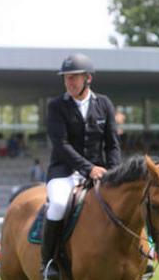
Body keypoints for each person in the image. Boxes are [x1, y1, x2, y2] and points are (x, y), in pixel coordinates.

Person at [41, 53, 122, 278]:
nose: (70, 82)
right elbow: (61, 145)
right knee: (57, 204)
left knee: (129, 201)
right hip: (64, 173)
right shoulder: (57, 106)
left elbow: (112, 144)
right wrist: (89, 169)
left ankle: (140, 256)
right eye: (66, 78)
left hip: (101, 173)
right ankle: (49, 263)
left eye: (74, 77)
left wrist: (114, 173)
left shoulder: (103, 103)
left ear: (88, 79)